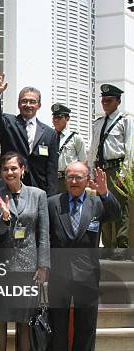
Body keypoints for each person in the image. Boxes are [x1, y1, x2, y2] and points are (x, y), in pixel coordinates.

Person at [45, 161, 121, 351]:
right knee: (57, 323)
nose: (74, 181)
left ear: (87, 180)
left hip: (87, 274)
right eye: (70, 177)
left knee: (86, 324)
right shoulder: (52, 203)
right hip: (58, 273)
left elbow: (116, 214)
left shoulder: (97, 203)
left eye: (78, 177)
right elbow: (44, 237)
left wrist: (105, 192)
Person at [0, 152, 50, 351]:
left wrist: (44, 265)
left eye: (14, 168)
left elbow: (43, 234)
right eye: (5, 169)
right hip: (1, 267)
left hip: (28, 267)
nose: (9, 173)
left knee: (24, 321)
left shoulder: (38, 195)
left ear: (22, 169)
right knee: (0, 320)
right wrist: (4, 219)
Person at [0, 70, 58, 195]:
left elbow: (51, 169)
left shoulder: (49, 133)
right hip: (7, 184)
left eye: (32, 101)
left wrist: (51, 197)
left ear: (39, 105)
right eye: (24, 101)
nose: (28, 105)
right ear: (19, 104)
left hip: (36, 188)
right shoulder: (9, 122)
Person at [87, 84, 132, 254]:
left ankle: (122, 247)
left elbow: (130, 149)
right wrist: (91, 172)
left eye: (109, 100)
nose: (105, 103)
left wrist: (123, 173)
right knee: (102, 208)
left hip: (116, 169)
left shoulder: (125, 121)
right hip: (101, 170)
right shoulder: (98, 123)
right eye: (103, 100)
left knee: (120, 209)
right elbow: (92, 149)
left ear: (118, 101)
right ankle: (107, 246)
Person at [51, 103, 88, 193]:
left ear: (67, 119)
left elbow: (83, 161)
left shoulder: (76, 138)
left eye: (59, 117)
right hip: (52, 180)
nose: (56, 120)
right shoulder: (49, 136)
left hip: (69, 180)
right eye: (54, 117)